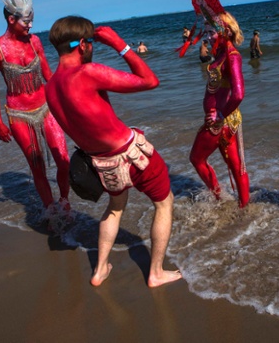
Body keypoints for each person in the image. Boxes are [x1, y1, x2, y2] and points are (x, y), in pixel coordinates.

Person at [46, 15, 182, 288]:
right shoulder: (87, 73)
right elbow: (149, 80)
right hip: (132, 156)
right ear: (82, 44)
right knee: (164, 203)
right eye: (93, 43)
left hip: (102, 162)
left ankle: (99, 270)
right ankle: (155, 272)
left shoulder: (50, 88)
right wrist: (120, 44)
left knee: (115, 208)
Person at [0, 0, 70, 219]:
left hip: (46, 108)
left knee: (63, 160)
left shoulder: (35, 41)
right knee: (38, 167)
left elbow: (48, 75)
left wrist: (66, 98)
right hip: (19, 115)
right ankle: (51, 211)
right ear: (11, 19)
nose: (31, 24)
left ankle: (64, 201)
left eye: (32, 18)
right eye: (26, 20)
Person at [181, 0, 250, 208]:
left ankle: (219, 197)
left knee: (197, 159)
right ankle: (243, 208)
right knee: (235, 165)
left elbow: (239, 94)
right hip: (225, 120)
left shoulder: (231, 55)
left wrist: (220, 114)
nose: (208, 36)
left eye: (212, 32)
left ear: (225, 32)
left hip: (220, 122)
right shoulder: (221, 54)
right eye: (207, 32)